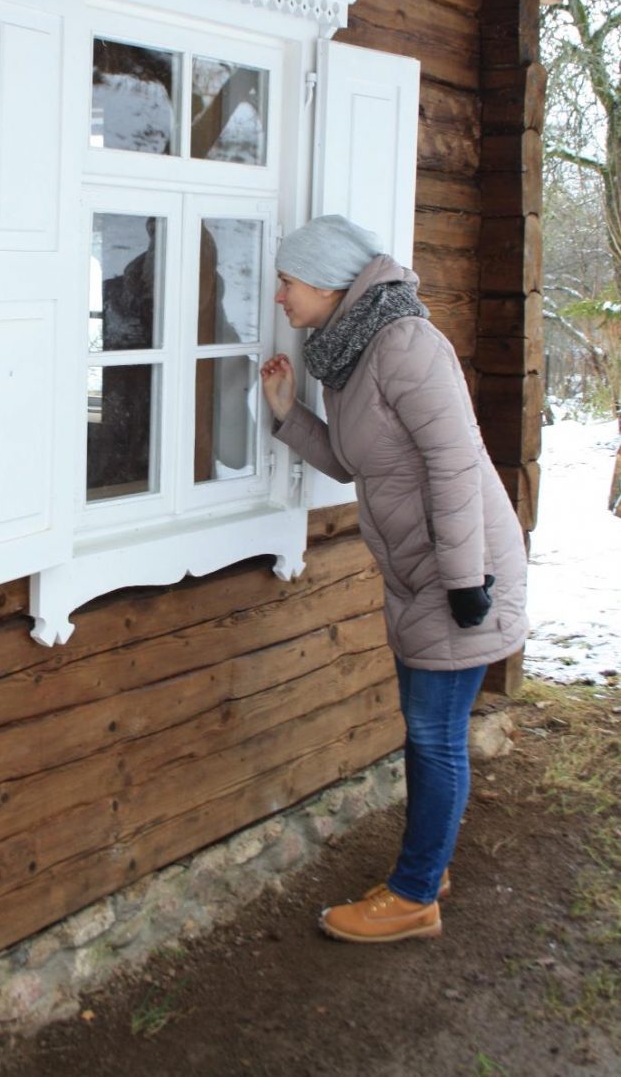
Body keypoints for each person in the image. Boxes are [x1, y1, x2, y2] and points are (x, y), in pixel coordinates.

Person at [260, 215, 528, 943]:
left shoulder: (406, 345)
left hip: (460, 572)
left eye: (286, 282)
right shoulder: (348, 355)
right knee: (423, 731)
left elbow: (455, 463)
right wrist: (289, 418)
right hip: (420, 573)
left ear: (322, 283)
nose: (279, 297)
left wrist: (467, 579)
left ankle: (414, 897)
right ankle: (426, 866)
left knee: (436, 736)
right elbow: (356, 463)